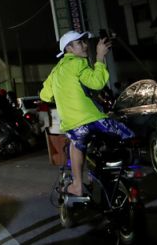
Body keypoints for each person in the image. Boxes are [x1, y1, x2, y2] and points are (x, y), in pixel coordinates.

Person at [39, 30, 133, 200]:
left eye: (84, 42)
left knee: (77, 145)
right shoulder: (79, 63)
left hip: (75, 126)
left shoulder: (54, 72)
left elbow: (44, 96)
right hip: (95, 120)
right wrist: (99, 57)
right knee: (125, 134)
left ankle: (77, 185)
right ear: (69, 49)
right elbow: (97, 82)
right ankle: (131, 171)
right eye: (79, 43)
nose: (84, 45)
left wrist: (60, 92)